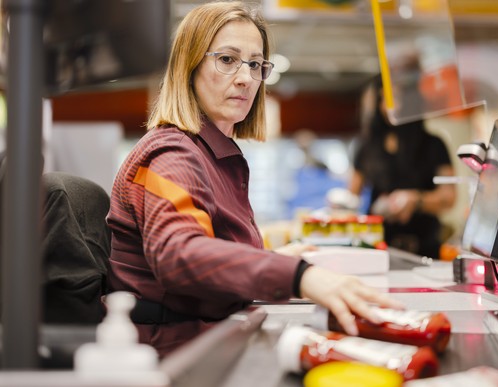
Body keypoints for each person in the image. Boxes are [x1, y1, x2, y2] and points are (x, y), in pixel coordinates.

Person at [106, 1, 402, 357]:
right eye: (227, 60)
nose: (246, 78)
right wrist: (298, 274)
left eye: (256, 64)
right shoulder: (171, 154)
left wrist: (270, 258)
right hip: (174, 351)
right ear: (189, 66)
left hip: (207, 336)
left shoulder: (213, 153)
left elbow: (211, 251)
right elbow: (180, 254)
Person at [349, 75, 456, 259]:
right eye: (384, 98)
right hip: (378, 246)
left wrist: (417, 200)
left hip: (424, 246)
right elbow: (352, 197)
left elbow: (449, 197)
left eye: (397, 98)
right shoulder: (366, 146)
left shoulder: (433, 144)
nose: (391, 106)